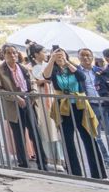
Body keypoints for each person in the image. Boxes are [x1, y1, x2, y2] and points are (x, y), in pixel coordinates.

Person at [43, 48, 106, 178]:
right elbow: (46, 76)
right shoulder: (54, 70)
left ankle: (98, 173)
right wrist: (52, 59)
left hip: (80, 105)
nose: (60, 58)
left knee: (89, 138)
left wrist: (66, 62)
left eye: (62, 55)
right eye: (57, 56)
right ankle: (75, 173)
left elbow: (81, 76)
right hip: (63, 107)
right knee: (68, 141)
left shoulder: (73, 67)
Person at [0, 44, 48, 170]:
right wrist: (16, 97)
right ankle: (23, 163)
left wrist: (32, 95)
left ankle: (43, 163)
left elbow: (32, 84)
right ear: (3, 55)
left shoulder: (24, 68)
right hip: (13, 106)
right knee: (18, 135)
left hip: (28, 103)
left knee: (35, 133)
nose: (12, 55)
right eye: (9, 53)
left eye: (14, 53)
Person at [75, 48, 109, 167]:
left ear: (92, 56)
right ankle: (106, 159)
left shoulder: (99, 70)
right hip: (90, 106)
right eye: (83, 56)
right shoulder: (76, 72)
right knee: (97, 136)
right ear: (79, 58)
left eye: (88, 55)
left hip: (104, 105)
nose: (86, 58)